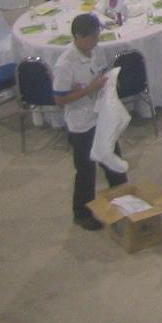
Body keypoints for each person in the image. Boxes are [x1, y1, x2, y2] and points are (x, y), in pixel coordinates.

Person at [53, 13, 127, 230]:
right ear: (78, 37)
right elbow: (59, 99)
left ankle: (122, 202)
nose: (95, 41)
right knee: (86, 171)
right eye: (92, 37)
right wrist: (88, 89)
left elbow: (103, 73)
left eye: (97, 36)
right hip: (81, 125)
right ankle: (82, 213)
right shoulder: (65, 64)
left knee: (115, 163)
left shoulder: (96, 51)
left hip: (102, 117)